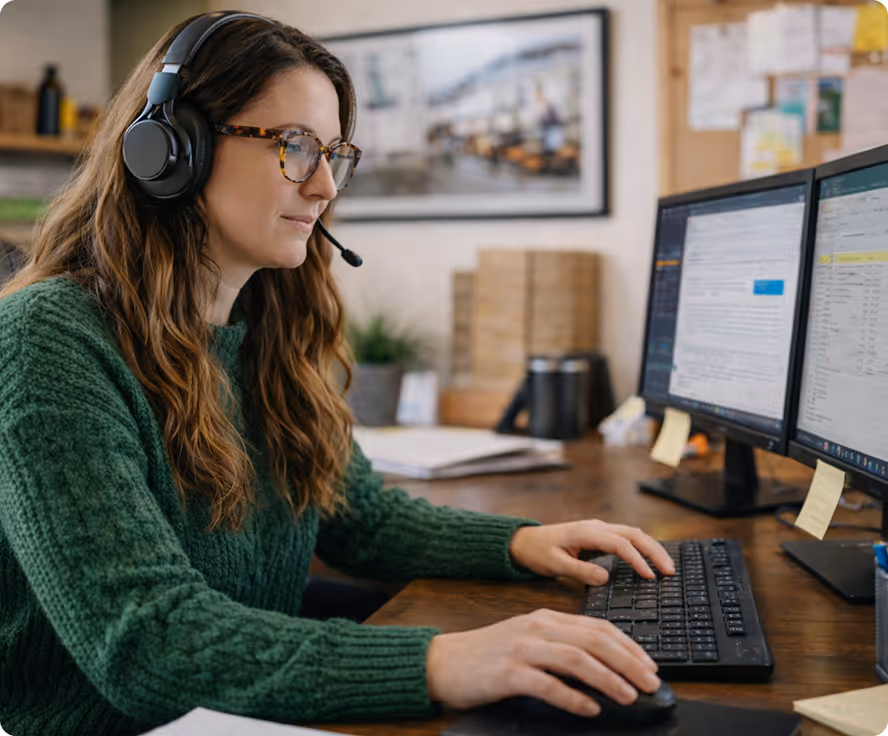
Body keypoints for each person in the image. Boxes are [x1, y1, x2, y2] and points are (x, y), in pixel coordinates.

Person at [0, 12, 674, 736]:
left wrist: (521, 543)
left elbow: (358, 517)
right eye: (294, 146)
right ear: (168, 150)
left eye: (333, 153)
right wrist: (443, 662)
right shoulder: (47, 342)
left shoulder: (268, 327)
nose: (325, 185)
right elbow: (146, 641)